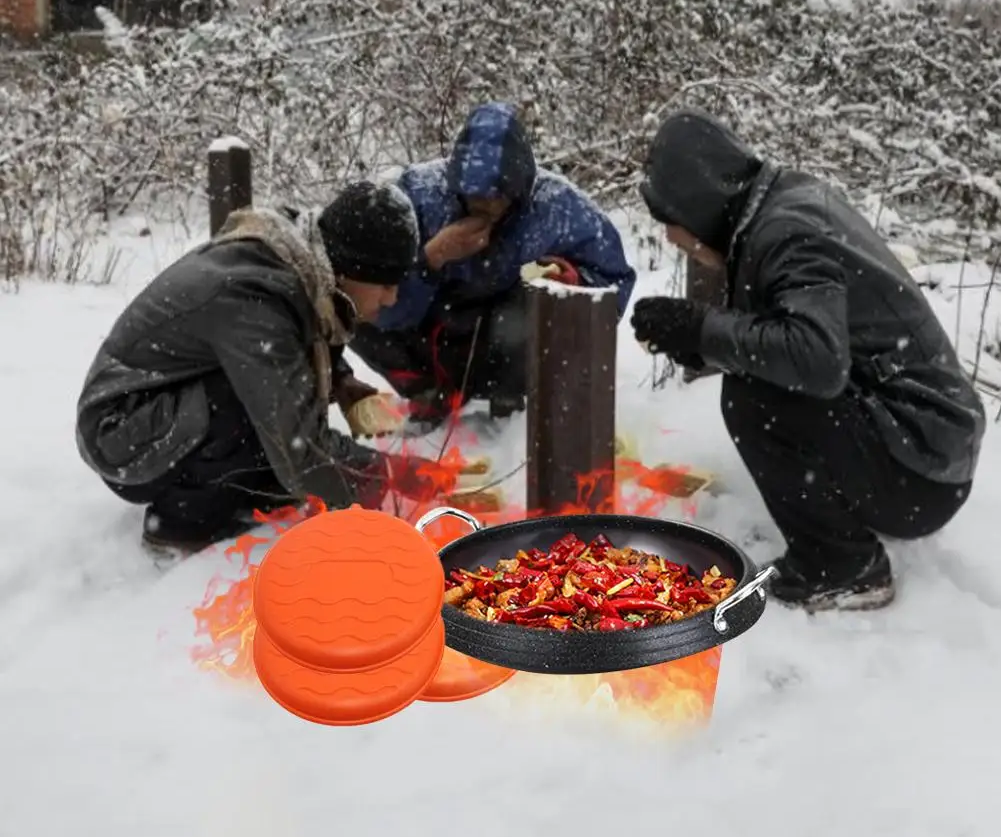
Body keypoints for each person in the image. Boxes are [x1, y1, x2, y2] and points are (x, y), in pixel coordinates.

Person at [630, 108, 985, 612]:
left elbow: (816, 359)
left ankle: (845, 568)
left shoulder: (786, 233)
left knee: (755, 399)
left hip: (923, 470)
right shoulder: (779, 206)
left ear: (696, 206)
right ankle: (842, 540)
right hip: (923, 445)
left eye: (670, 221)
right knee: (764, 382)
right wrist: (701, 341)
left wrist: (702, 328)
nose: (669, 237)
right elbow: (799, 333)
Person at [75, 181, 457, 553]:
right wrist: (391, 474)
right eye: (386, 283)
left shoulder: (298, 264)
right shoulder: (256, 299)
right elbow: (302, 448)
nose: (392, 298)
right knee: (258, 406)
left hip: (158, 406)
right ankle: (181, 524)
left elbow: (302, 335)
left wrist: (340, 381)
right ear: (348, 269)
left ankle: (239, 490)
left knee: (271, 398)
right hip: (119, 430)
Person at [349, 101, 637, 427]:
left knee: (528, 306)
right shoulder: (419, 198)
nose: (484, 206)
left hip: (504, 339)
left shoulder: (556, 207)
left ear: (519, 189)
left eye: (496, 196)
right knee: (356, 311)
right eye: (473, 195)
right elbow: (378, 298)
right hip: (431, 330)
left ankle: (510, 405)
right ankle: (428, 395)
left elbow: (614, 281)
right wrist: (431, 259)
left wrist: (571, 279)